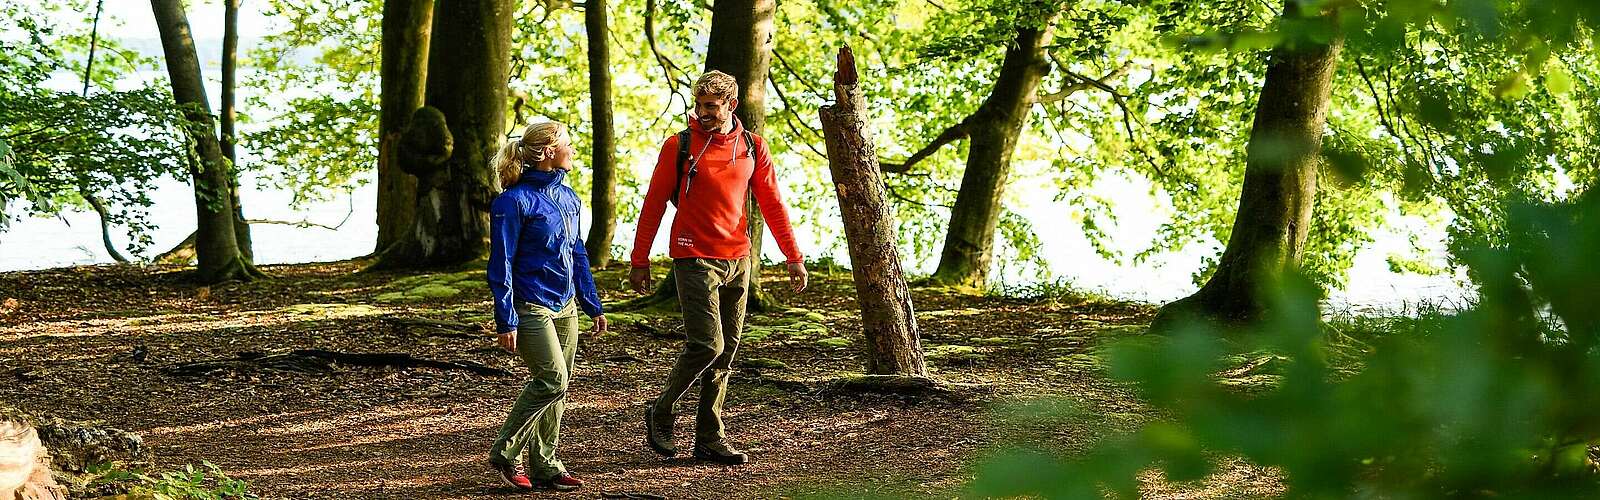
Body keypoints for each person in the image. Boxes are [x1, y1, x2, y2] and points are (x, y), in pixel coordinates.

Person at [630, 70, 808, 465]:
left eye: (711, 106)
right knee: (707, 344)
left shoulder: (752, 147)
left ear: (731, 104)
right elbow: (654, 204)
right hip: (693, 257)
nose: (703, 113)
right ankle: (662, 408)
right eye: (699, 105)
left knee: (727, 353)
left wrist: (793, 256)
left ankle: (709, 437)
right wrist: (639, 259)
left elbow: (773, 204)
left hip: (737, 259)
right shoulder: (679, 145)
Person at [485, 122, 607, 491]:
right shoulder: (512, 202)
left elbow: (577, 252)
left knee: (561, 386)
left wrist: (591, 303)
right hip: (529, 304)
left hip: (565, 304)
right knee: (551, 379)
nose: (573, 150)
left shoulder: (569, 198)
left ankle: (546, 465)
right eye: (567, 144)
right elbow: (500, 263)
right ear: (548, 152)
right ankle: (506, 453)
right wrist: (505, 318)